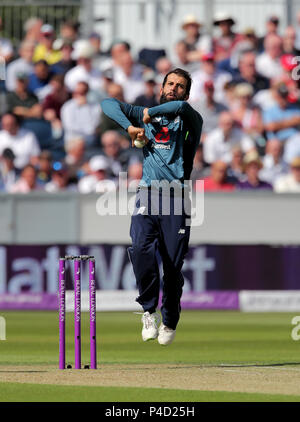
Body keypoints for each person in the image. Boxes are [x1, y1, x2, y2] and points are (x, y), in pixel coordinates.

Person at [101, 68, 203, 346]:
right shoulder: (146, 114)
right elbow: (107, 104)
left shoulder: (190, 119)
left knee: (172, 267)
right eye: (169, 83)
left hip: (176, 198)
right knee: (140, 250)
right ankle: (148, 310)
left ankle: (170, 317)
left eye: (180, 86)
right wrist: (131, 126)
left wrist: (146, 114)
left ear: (187, 92)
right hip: (147, 194)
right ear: (161, 86)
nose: (173, 88)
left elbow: (180, 106)